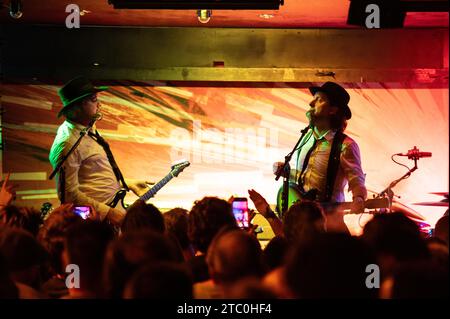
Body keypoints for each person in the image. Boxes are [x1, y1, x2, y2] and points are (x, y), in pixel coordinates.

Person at [49, 76, 152, 226]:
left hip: (107, 218)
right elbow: (69, 197)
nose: (99, 104)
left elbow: (93, 175)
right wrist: (109, 213)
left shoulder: (87, 129)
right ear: (79, 105)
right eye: (94, 99)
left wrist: (125, 183)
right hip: (94, 224)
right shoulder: (67, 143)